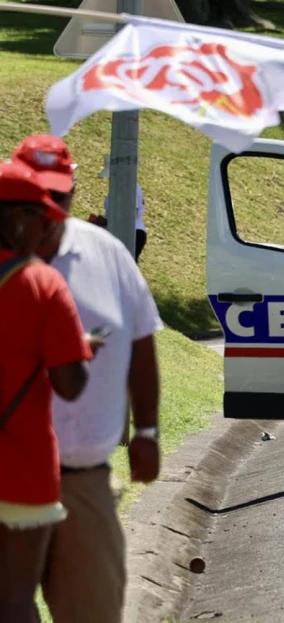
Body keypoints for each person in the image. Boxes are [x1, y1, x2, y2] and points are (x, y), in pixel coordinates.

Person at [14, 135, 163, 623]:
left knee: (93, 611)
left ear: (74, 190)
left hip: (82, 483)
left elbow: (142, 340)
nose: (49, 206)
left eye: (59, 194)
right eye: (37, 194)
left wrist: (146, 430)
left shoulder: (106, 253)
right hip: (7, 475)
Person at [0, 160, 94, 622]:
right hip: (22, 470)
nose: (47, 226)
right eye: (41, 216)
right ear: (16, 218)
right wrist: (78, 350)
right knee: (15, 599)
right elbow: (70, 384)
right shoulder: (41, 282)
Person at [90, 154, 148, 263]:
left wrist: (105, 222)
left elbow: (129, 215)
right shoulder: (121, 187)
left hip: (131, 233)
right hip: (123, 232)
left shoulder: (128, 188)